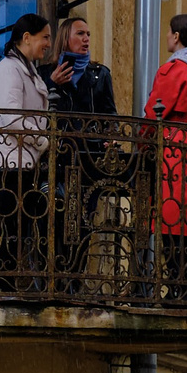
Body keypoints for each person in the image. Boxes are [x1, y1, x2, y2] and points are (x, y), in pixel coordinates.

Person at [0, 13, 55, 291]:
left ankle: (11, 284)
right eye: (45, 37)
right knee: (11, 228)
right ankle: (3, 286)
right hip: (8, 162)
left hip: (23, 163)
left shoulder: (27, 69)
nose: (48, 43)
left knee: (19, 228)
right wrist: (43, 142)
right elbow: (11, 117)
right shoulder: (8, 70)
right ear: (27, 38)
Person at [43, 15, 117, 278]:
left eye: (88, 35)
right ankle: (52, 278)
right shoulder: (46, 73)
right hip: (57, 159)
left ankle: (74, 279)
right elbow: (36, 111)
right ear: (66, 37)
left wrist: (110, 136)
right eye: (80, 34)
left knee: (84, 222)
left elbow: (111, 117)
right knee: (56, 219)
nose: (86, 39)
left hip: (90, 160)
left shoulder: (100, 74)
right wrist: (53, 83)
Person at [146, 13, 187, 299]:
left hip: (171, 144)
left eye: (169, 33)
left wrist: (140, 143)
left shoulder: (173, 70)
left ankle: (175, 283)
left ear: (176, 37)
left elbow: (155, 111)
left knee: (168, 214)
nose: (167, 37)